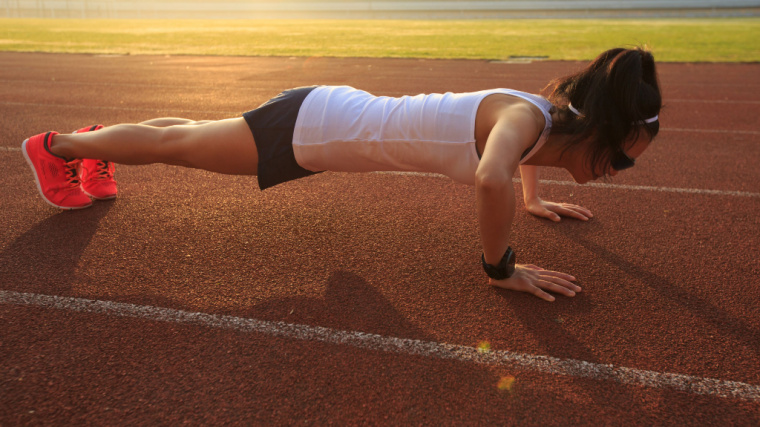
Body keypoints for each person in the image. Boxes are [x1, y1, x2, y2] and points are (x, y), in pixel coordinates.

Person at [22, 47, 661, 302]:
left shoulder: (544, 121)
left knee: (189, 133)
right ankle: (58, 146)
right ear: (597, 134)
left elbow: (516, 160)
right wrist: (501, 268)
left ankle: (93, 144)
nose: (620, 171)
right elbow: (493, 174)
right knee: (185, 145)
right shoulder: (527, 121)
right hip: (316, 129)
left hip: (326, 116)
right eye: (623, 157)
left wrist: (534, 201)